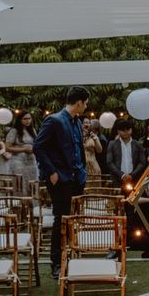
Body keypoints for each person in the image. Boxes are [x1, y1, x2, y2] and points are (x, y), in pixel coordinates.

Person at [33, 86, 89, 279]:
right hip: (60, 178)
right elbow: (38, 147)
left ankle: (70, 257)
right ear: (79, 102)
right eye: (86, 102)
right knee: (61, 220)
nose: (86, 106)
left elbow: (77, 149)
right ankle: (56, 263)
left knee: (73, 220)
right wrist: (51, 171)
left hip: (77, 178)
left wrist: (83, 171)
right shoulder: (54, 120)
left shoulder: (77, 122)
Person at [106, 118, 146, 188]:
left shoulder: (138, 144)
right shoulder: (112, 144)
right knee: (117, 198)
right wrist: (122, 175)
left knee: (133, 199)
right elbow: (109, 162)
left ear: (131, 130)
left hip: (134, 179)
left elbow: (142, 162)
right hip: (117, 179)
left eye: (128, 129)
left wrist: (132, 175)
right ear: (118, 131)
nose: (126, 132)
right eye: (123, 130)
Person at [5, 111, 38, 194]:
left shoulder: (32, 130)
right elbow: (7, 147)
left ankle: (31, 204)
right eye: (25, 119)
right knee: (21, 184)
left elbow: (37, 144)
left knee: (32, 183)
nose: (28, 121)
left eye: (29, 118)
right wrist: (23, 149)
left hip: (31, 161)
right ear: (20, 120)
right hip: (18, 161)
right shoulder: (14, 131)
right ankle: (22, 204)